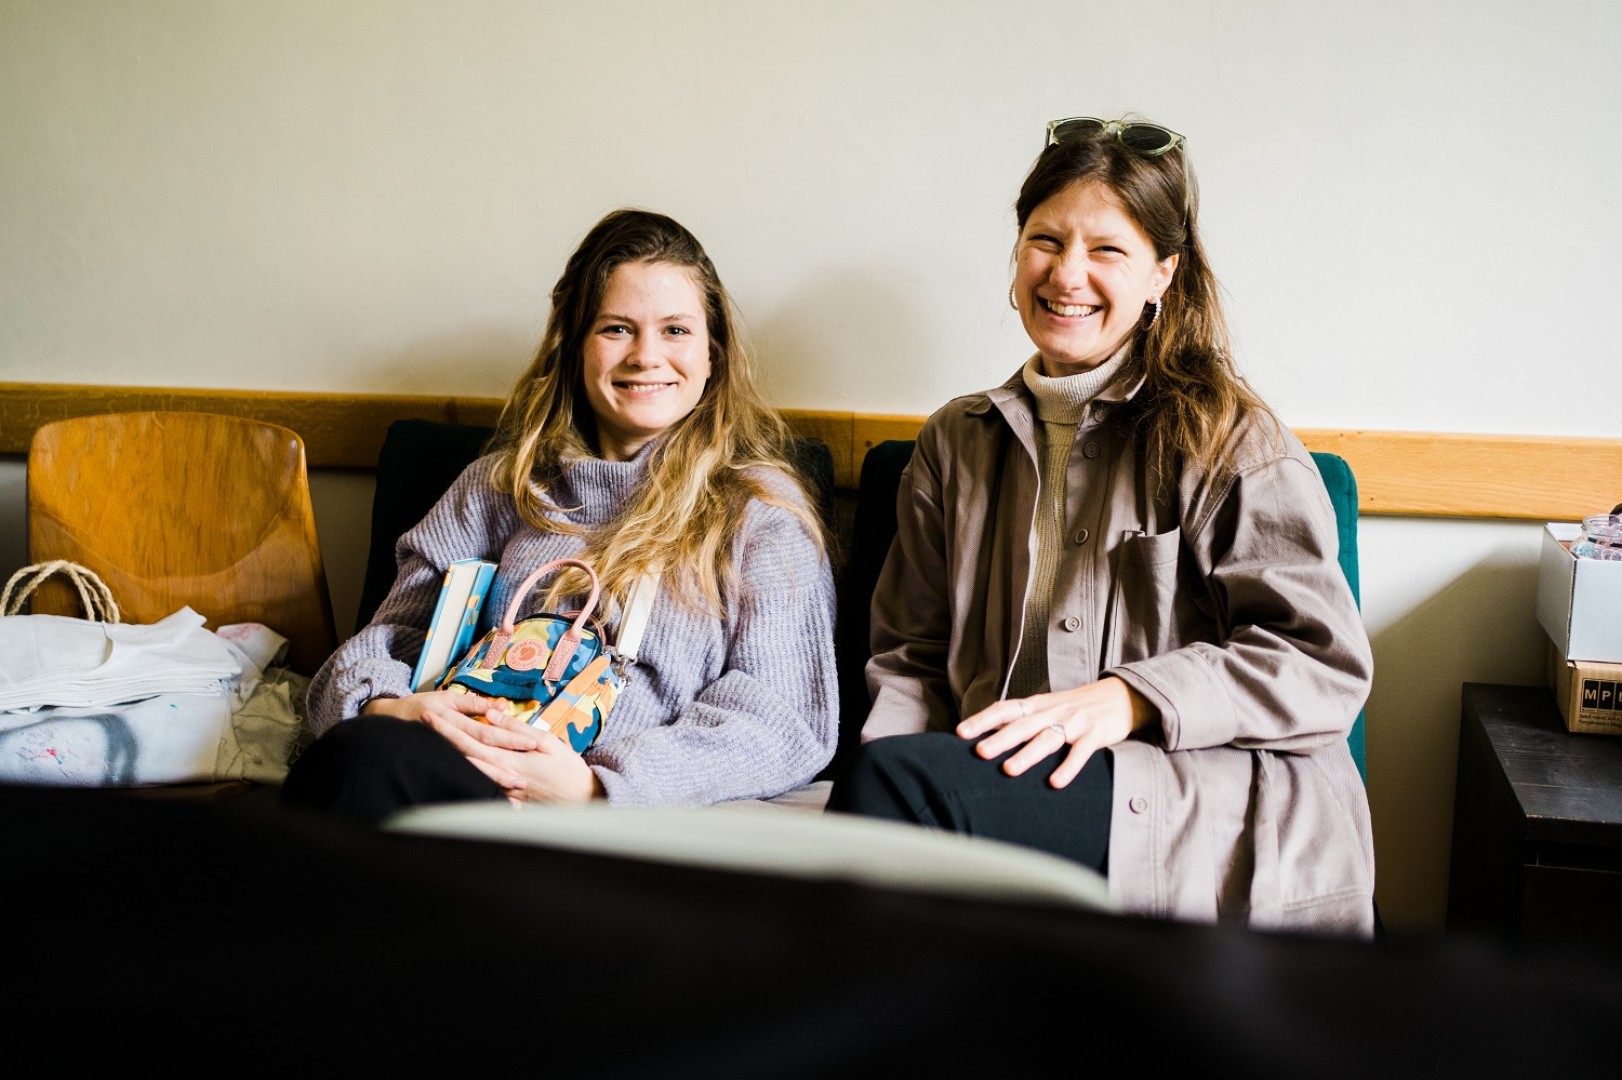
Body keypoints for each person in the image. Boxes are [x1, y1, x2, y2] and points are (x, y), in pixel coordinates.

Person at [826, 116, 1376, 937]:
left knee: (896, 797)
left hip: (1195, 795)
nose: (1067, 274)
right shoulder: (954, 443)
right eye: (1045, 241)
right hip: (999, 781)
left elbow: (1321, 665)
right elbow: (912, 656)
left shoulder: (1233, 439)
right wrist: (894, 775)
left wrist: (1132, 699)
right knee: (884, 789)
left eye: (1107, 250)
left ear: (1162, 274)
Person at [284, 208, 838, 823]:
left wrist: (595, 787)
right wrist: (390, 708)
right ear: (574, 348)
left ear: (714, 355)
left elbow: (783, 720)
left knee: (360, 773)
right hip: (443, 770)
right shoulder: (496, 489)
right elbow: (385, 643)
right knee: (362, 757)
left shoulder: (759, 514)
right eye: (617, 329)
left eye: (676, 330)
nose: (646, 356)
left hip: (607, 819)